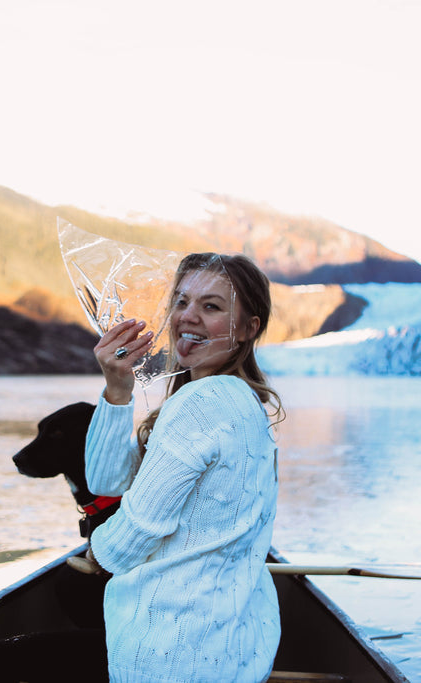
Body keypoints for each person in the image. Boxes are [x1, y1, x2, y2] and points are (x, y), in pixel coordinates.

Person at [83, 252, 284, 683]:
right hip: (232, 648)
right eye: (180, 301)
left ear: (249, 328)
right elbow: (108, 482)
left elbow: (135, 532)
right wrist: (119, 388)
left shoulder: (202, 403)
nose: (186, 316)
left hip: (172, 655)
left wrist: (97, 549)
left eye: (211, 306)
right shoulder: (243, 402)